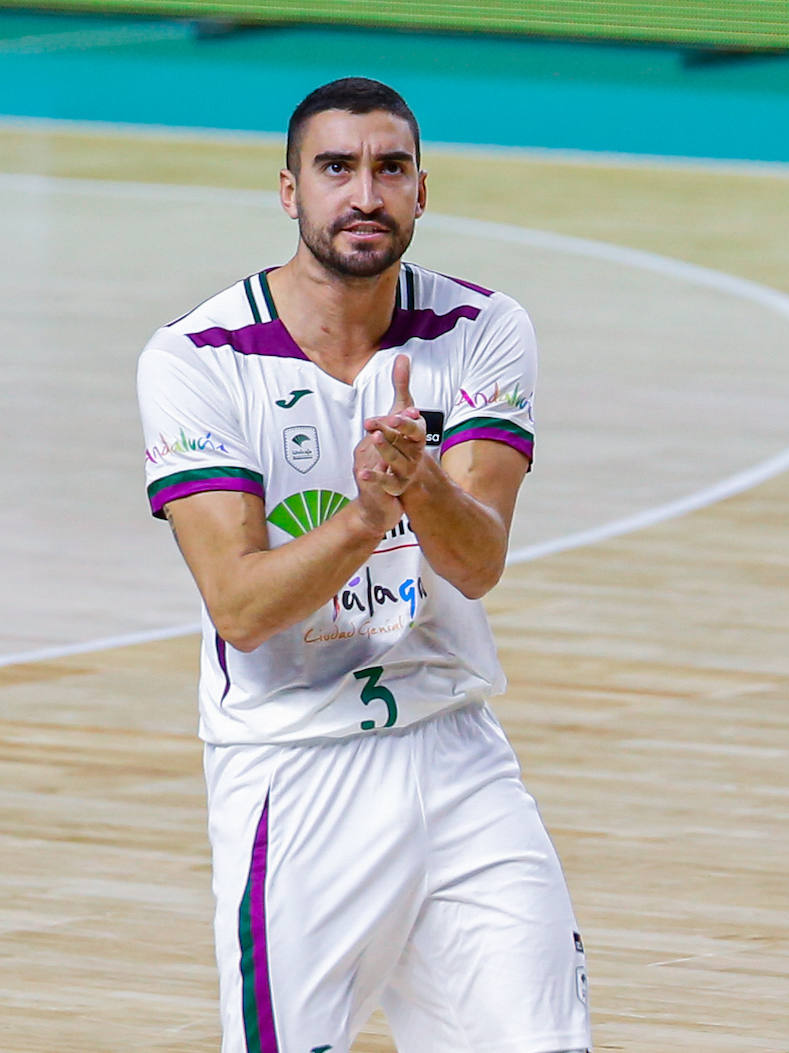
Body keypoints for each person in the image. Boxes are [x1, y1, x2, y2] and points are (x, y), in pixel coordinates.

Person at [136, 76, 591, 1053]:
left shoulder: (482, 329)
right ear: (289, 191)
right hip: (296, 773)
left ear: (423, 191)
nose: (365, 194)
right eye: (336, 168)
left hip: (459, 752)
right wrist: (365, 513)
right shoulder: (198, 358)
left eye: (390, 169)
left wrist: (420, 486)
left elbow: (478, 564)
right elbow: (242, 607)